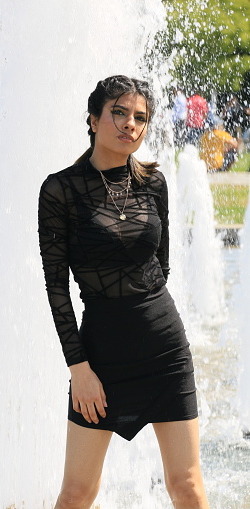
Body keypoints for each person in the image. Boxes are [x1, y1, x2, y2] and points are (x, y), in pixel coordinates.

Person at [38, 75, 210, 509]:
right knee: (77, 493)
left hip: (165, 350)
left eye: (140, 117)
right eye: (118, 112)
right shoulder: (60, 189)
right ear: (93, 119)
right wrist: (79, 368)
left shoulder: (154, 184)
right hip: (100, 358)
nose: (129, 124)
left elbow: (161, 265)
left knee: (187, 485)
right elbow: (56, 285)